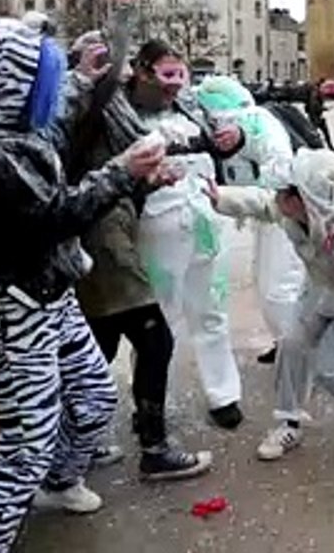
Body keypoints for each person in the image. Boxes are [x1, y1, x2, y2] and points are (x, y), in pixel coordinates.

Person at [0, 16, 171, 552]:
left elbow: (56, 122)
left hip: (51, 296)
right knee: (24, 446)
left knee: (93, 398)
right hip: (10, 308)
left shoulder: (18, 132)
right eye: (43, 74)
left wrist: (86, 80)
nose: (51, 84)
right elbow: (56, 215)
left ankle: (59, 481)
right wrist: (123, 171)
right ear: (15, 83)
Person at [57, 22, 213, 480]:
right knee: (153, 339)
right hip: (106, 240)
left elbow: (117, 167)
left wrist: (147, 178)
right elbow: (105, 172)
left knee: (98, 344)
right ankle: (154, 447)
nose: (121, 72)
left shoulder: (95, 111)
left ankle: (74, 443)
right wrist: (121, 10)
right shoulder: (94, 107)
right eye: (108, 64)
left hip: (105, 232)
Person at [202, 148, 334, 461]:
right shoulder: (293, 214)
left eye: (283, 192)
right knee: (290, 346)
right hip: (318, 292)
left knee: (332, 370)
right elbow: (262, 204)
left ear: (304, 196)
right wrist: (221, 196)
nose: (276, 197)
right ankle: (289, 422)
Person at [127, 39, 248, 430]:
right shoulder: (124, 113)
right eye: (167, 74)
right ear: (143, 72)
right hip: (157, 228)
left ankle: (223, 393)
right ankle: (150, 402)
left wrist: (233, 141)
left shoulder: (191, 105)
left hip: (203, 222)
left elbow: (218, 144)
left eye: (181, 74)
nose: (176, 84)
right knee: (159, 320)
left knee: (211, 309)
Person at [195, 75, 306, 364]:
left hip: (287, 211)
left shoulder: (258, 122)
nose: (220, 131)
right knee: (270, 281)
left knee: (279, 286)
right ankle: (289, 343)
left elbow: (276, 180)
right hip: (273, 213)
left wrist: (230, 197)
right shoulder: (239, 121)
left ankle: (301, 353)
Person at [305, 83, 334, 152]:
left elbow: (309, 107)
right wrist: (324, 108)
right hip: (316, 118)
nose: (323, 90)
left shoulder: (314, 94)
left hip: (315, 117)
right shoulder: (315, 94)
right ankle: (327, 147)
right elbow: (315, 106)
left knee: (321, 132)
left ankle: (329, 147)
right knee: (317, 133)